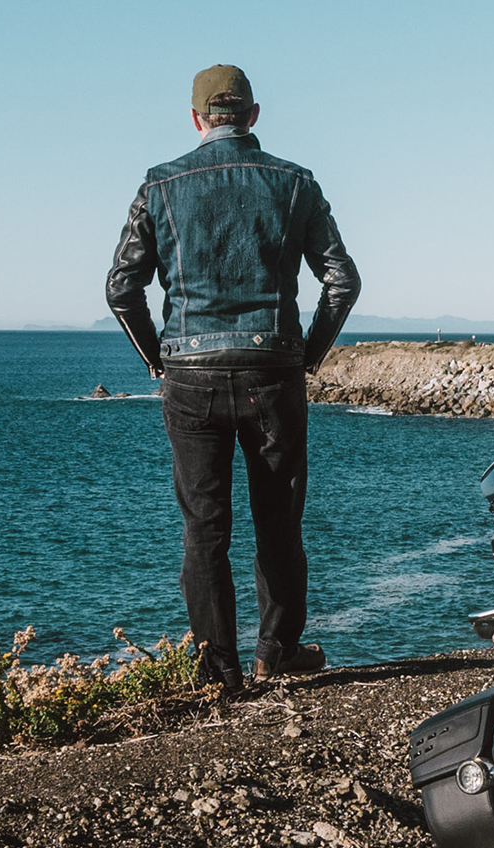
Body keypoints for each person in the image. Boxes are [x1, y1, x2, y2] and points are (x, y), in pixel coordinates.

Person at [107, 65, 360, 691]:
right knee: (278, 521)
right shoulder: (295, 182)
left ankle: (217, 673)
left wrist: (157, 360)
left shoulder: (158, 186)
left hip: (189, 377)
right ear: (252, 114)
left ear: (196, 119)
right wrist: (307, 355)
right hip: (273, 372)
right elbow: (342, 281)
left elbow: (121, 290)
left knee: (204, 528)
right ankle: (276, 653)